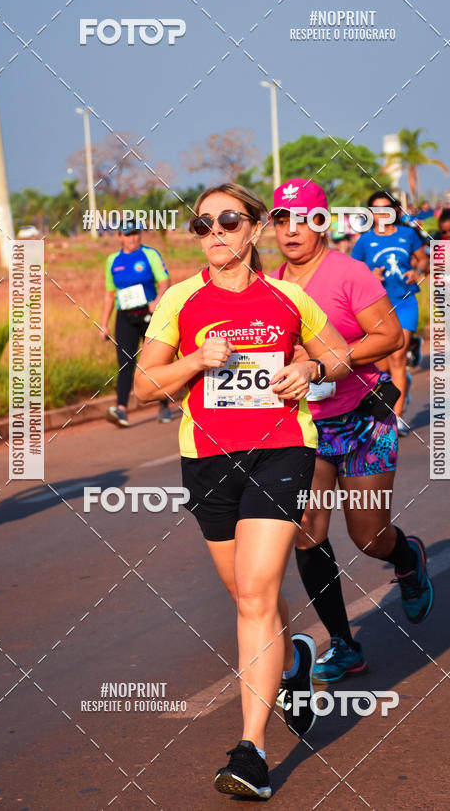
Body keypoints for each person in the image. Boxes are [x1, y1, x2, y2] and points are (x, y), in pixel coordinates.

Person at [135, 183, 351, 799]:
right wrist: (198, 360)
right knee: (244, 594)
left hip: (281, 448)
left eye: (228, 221)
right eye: (203, 225)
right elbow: (146, 387)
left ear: (254, 229)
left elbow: (336, 352)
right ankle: (294, 664)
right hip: (207, 458)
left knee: (256, 593)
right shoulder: (181, 298)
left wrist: (309, 368)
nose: (215, 234)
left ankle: (252, 751)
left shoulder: (287, 297)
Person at [270, 178, 434, 685]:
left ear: (322, 222)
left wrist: (326, 358)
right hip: (309, 426)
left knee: (368, 537)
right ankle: (344, 643)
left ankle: (405, 557)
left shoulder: (349, 273)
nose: (292, 229)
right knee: (306, 533)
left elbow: (392, 335)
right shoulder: (270, 285)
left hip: (364, 416)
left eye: (303, 218)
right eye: (281, 219)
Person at [352, 191, 428, 436]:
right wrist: (368, 276)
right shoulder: (364, 241)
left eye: (386, 208)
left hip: (405, 303)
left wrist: (417, 272)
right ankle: (390, 403)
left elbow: (422, 260)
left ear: (395, 211)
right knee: (381, 365)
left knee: (398, 358)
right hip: (377, 307)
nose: (381, 214)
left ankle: (396, 418)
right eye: (376, 209)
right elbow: (353, 272)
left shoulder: (408, 235)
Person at [100, 221, 171, 426]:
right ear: (120, 236)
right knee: (125, 363)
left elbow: (164, 280)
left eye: (136, 234)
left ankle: (164, 406)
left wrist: (157, 301)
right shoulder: (113, 260)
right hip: (125, 316)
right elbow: (109, 293)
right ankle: (121, 409)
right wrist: (103, 324)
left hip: (149, 316)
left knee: (156, 362)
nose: (133, 238)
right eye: (128, 234)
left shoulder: (149, 254)